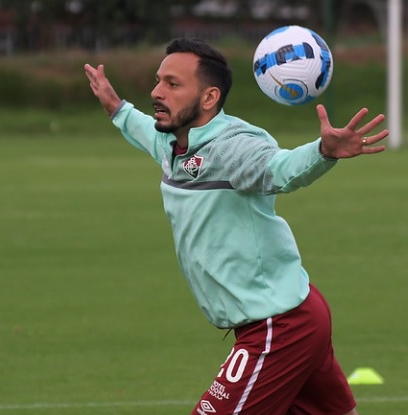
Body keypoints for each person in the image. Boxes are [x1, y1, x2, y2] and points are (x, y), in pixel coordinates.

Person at [84, 37, 388, 415]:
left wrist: (322, 152)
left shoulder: (231, 147)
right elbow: (144, 130)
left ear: (209, 98)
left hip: (279, 328)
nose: (156, 92)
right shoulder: (173, 142)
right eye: (158, 80)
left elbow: (277, 170)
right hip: (295, 314)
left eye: (173, 84)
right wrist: (116, 107)